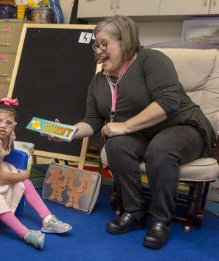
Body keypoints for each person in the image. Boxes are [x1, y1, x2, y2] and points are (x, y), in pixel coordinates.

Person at [55, 15, 216, 249]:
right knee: (117, 146)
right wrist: (66, 132)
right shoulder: (98, 82)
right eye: (95, 45)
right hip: (145, 134)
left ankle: (161, 221)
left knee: (160, 150)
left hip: (183, 126)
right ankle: (135, 211)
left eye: (104, 44)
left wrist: (125, 126)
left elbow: (168, 102)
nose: (98, 50)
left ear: (125, 42)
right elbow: (92, 121)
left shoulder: (151, 60)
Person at [0, 98, 72, 250]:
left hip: (0, 167)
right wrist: (23, 175)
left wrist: (22, 178)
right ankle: (25, 233)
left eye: (9, 123)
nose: (3, 126)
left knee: (24, 184)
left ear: (14, 125)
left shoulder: (8, 135)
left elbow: (6, 158)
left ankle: (47, 219)